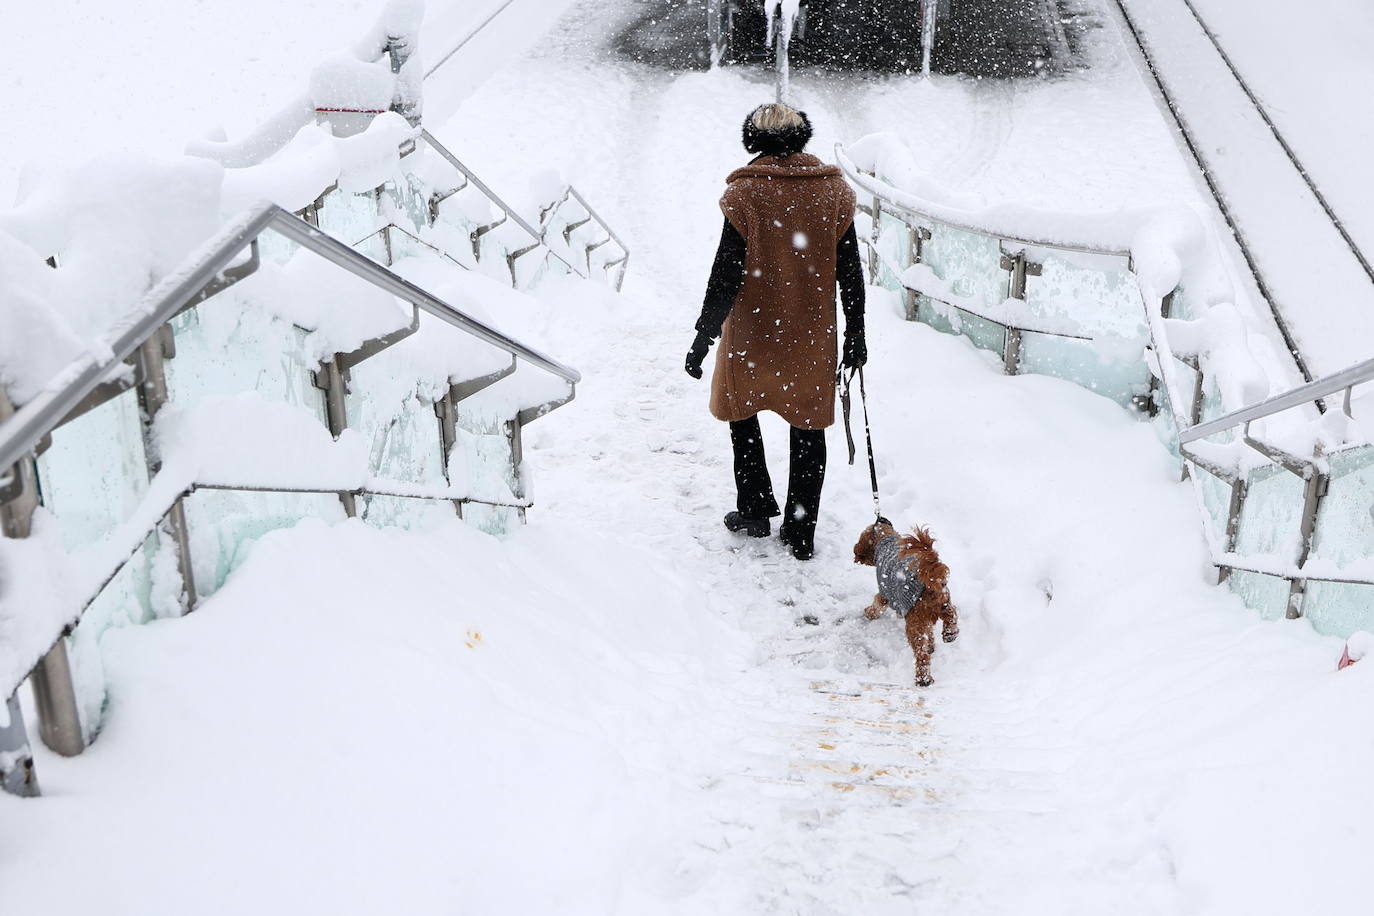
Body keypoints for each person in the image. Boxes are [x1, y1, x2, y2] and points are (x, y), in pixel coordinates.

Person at [684, 103, 866, 561]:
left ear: (753, 140)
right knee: (809, 426)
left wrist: (705, 334)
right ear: (802, 138)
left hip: (752, 331)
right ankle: (801, 529)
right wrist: (855, 334)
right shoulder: (833, 193)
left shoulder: (746, 196)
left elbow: (725, 272)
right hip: (810, 333)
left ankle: (754, 508)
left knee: (741, 411)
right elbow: (851, 272)